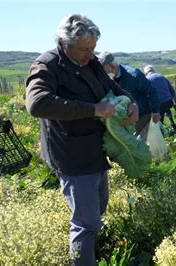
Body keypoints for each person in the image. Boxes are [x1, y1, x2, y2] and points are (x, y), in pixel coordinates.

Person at [25, 14, 138, 265]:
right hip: (73, 156)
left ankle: (90, 255)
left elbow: (115, 89)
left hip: (95, 152)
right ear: (63, 43)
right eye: (84, 49)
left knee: (97, 212)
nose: (90, 55)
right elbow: (37, 103)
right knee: (85, 224)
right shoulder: (47, 65)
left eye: (93, 48)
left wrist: (131, 102)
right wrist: (93, 109)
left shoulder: (91, 63)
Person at [98, 52, 160, 141]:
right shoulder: (110, 79)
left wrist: (155, 112)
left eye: (104, 71)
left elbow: (152, 91)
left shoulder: (133, 75)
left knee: (147, 147)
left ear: (113, 67)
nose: (103, 74)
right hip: (128, 121)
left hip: (143, 117)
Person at [143, 64, 176, 130]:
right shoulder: (162, 76)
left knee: (159, 119)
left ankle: (161, 132)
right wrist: (175, 102)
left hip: (159, 105)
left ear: (145, 72)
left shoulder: (147, 80)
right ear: (153, 70)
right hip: (169, 101)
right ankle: (173, 124)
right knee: (166, 108)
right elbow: (172, 89)